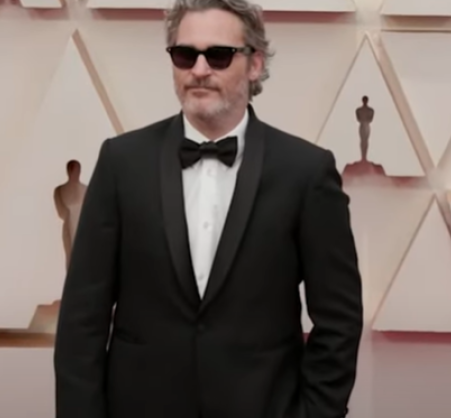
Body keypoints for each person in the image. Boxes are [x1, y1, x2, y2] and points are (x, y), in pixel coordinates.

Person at [52, 0, 363, 417]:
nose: (199, 70)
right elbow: (82, 318)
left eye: (218, 55)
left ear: (255, 64)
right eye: (185, 55)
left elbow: (340, 320)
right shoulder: (121, 162)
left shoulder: (306, 171)